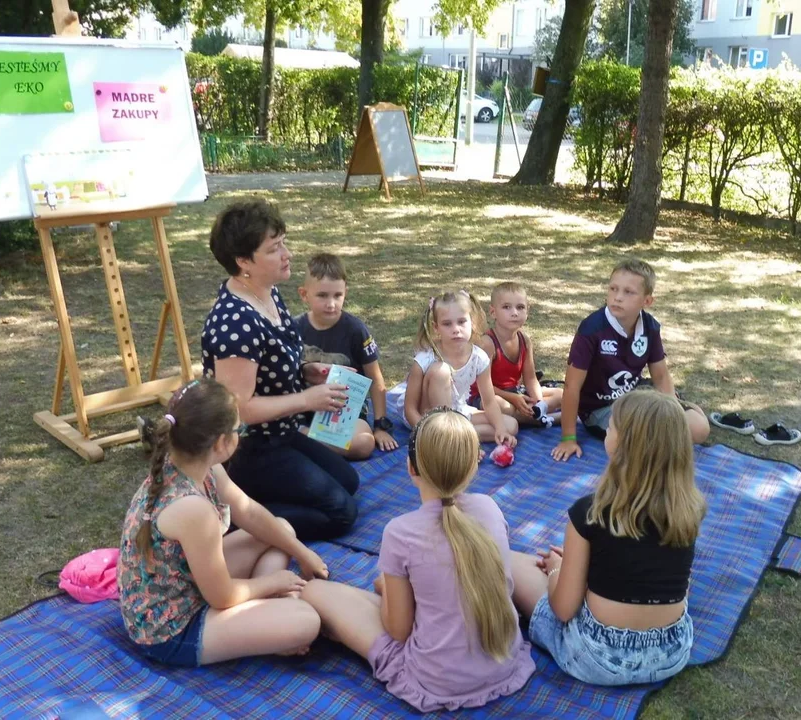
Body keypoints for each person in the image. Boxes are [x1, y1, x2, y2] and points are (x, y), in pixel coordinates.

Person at [300, 408, 535, 712]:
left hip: (437, 681)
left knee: (315, 591)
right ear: (475, 462)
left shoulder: (400, 533)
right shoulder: (489, 508)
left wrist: (389, 590)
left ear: (411, 468)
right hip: (504, 664)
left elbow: (398, 630)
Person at [118, 378, 327, 668]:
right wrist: (273, 582)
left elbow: (250, 513)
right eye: (238, 430)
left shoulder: (194, 465)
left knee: (282, 529)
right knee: (306, 621)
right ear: (220, 442)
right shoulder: (193, 510)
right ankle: (269, 619)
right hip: (170, 630)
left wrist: (301, 551)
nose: (240, 435)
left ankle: (266, 617)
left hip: (188, 583)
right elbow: (221, 596)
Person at [512, 390, 706, 686]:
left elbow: (564, 609)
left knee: (509, 561)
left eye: (612, 426)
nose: (607, 429)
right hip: (671, 652)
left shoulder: (591, 512)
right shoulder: (690, 511)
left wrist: (555, 570)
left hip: (598, 656)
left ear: (625, 444)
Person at [202, 199, 360, 541]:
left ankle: (254, 502)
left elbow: (272, 362)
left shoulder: (266, 292)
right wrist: (306, 399)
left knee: (349, 481)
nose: (286, 254)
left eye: (283, 243)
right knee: (341, 513)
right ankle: (233, 517)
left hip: (280, 434)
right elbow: (238, 410)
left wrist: (304, 371)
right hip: (247, 449)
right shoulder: (234, 323)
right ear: (244, 261)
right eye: (274, 249)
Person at [551, 258, 710, 462]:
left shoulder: (650, 327)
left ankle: (679, 419)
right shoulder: (591, 329)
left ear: (647, 301)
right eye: (613, 289)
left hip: (637, 397)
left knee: (699, 429)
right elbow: (571, 387)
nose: (617, 297)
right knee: (641, 441)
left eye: (628, 292)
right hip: (601, 408)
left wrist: (673, 411)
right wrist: (568, 438)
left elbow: (661, 377)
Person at [295, 253, 398, 459]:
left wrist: (379, 425)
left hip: (345, 412)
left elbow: (375, 380)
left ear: (345, 293)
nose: (331, 303)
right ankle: (311, 441)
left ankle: (301, 440)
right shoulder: (294, 328)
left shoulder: (355, 330)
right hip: (304, 409)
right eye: (322, 295)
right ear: (304, 294)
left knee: (364, 443)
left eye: (337, 295)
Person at [387, 290, 518, 448]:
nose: (456, 329)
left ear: (473, 322)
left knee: (510, 425)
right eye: (447, 324)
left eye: (462, 321)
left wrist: (500, 429)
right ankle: (449, 438)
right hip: (427, 417)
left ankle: (458, 438)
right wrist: (422, 431)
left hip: (457, 410)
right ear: (436, 328)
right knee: (441, 371)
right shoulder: (426, 359)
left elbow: (489, 402)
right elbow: (410, 409)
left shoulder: (479, 357)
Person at [471, 281, 563, 426]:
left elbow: (531, 379)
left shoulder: (524, 340)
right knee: (503, 407)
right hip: (488, 396)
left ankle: (539, 413)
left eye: (520, 307)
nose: (514, 313)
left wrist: (538, 402)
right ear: (493, 312)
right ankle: (552, 419)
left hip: (516, 391)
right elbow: (484, 386)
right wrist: (512, 398)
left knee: (561, 394)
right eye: (506, 307)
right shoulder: (488, 343)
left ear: (527, 311)